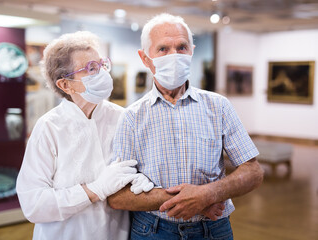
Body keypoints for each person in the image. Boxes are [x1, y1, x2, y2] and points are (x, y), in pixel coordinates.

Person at [108, 13, 264, 240]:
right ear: (145, 58)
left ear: (191, 50)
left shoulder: (218, 106)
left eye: (181, 47)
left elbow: (253, 172)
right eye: (163, 49)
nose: (174, 55)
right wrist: (192, 201)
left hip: (213, 228)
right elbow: (118, 196)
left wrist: (208, 194)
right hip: (153, 230)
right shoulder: (132, 117)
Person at [16, 31, 153, 240]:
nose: (102, 73)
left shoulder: (121, 117)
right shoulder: (49, 128)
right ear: (65, 84)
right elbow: (34, 204)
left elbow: (133, 172)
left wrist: (141, 179)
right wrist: (94, 190)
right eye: (91, 68)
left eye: (101, 65)